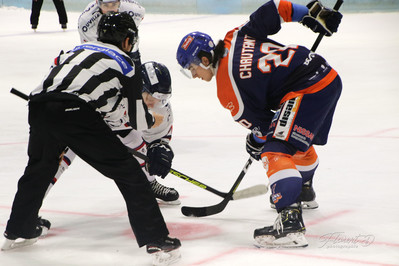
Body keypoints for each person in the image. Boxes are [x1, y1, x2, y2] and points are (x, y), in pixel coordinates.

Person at [2, 12, 181, 265]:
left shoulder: (73, 50)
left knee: (39, 168)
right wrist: (153, 125)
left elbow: (62, 82)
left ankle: (18, 228)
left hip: (39, 105)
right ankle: (156, 239)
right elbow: (139, 119)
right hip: (76, 112)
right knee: (129, 172)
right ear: (128, 41)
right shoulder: (126, 63)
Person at [176, 0, 342, 248]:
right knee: (293, 139)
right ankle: (304, 189)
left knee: (275, 149)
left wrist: (255, 141)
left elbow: (264, 128)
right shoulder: (235, 36)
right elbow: (276, 8)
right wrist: (311, 14)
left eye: (192, 68)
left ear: (204, 59)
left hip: (305, 89)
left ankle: (289, 221)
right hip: (326, 76)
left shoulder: (227, 90)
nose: (195, 76)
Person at [51, 0, 179, 204]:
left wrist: (161, 147)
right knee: (61, 153)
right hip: (78, 109)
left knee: (135, 141)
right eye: (151, 97)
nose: (156, 103)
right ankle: (34, 204)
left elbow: (156, 133)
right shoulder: (90, 29)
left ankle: (148, 183)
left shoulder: (151, 98)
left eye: (161, 99)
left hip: (93, 104)